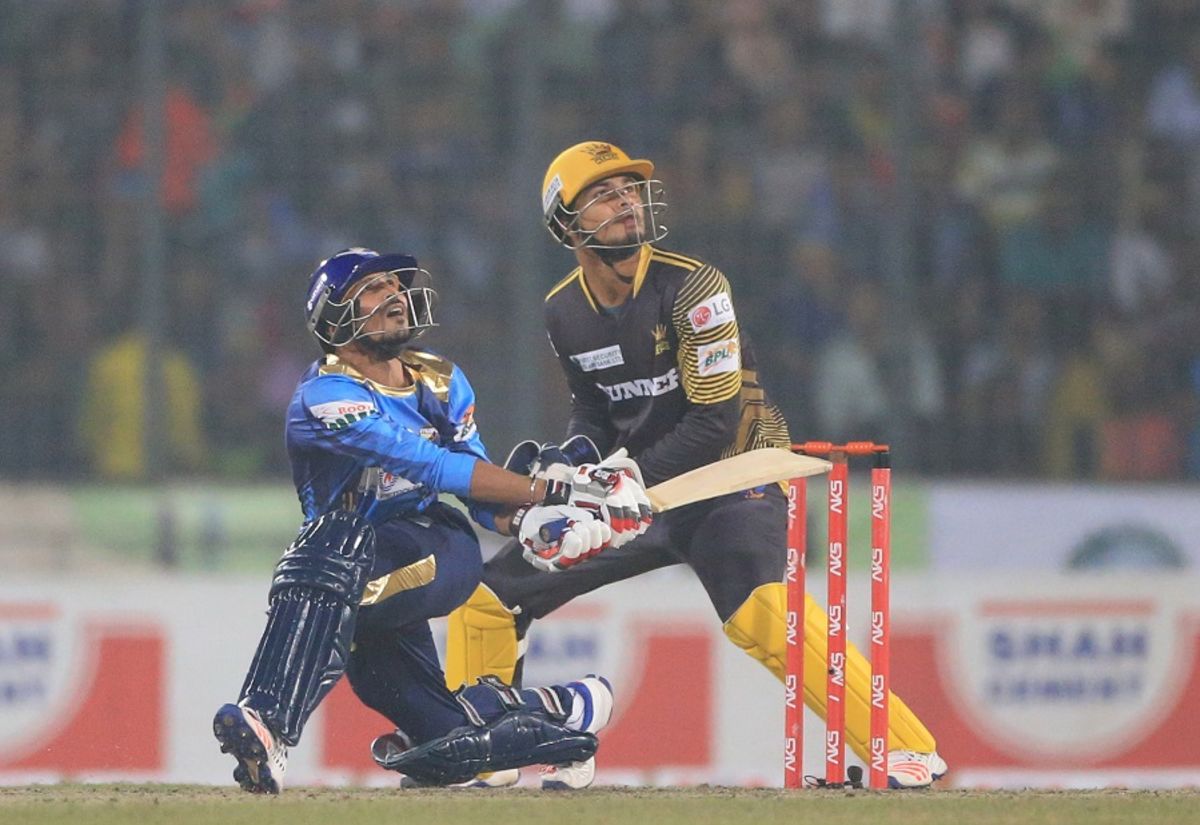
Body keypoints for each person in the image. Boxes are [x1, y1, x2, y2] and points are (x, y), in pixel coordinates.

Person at [445, 141, 948, 789]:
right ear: (566, 224)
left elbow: (713, 423)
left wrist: (615, 491)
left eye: (630, 189)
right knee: (488, 601)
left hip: (731, 478)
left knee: (762, 613)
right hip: (635, 492)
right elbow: (595, 413)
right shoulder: (562, 310)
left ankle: (906, 749)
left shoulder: (693, 285)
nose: (626, 201)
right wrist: (573, 464)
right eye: (604, 192)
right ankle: (482, 753)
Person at [213, 247, 653, 793]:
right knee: (447, 747)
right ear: (333, 315)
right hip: (351, 572)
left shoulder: (440, 380)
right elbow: (429, 463)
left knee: (329, 549)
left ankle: (269, 723)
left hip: (436, 547)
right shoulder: (325, 395)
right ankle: (564, 710)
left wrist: (530, 521)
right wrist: (555, 490)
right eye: (373, 288)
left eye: (396, 286)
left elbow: (473, 484)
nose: (395, 295)